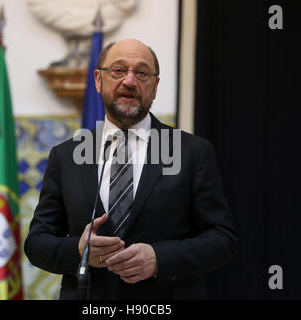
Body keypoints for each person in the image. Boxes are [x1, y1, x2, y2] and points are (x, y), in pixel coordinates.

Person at [24, 39, 238, 300]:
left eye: (142, 72)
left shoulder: (192, 152)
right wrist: (79, 250)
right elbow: (36, 243)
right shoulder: (66, 156)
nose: (129, 81)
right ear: (98, 80)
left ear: (155, 86)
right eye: (118, 70)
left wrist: (159, 258)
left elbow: (222, 240)